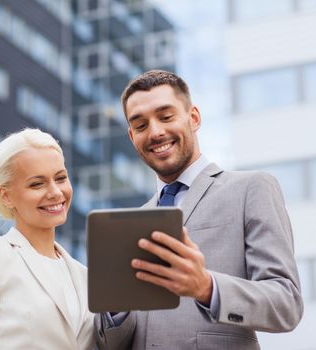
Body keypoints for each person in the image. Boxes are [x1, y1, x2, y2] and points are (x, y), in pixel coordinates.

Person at [94, 70, 303, 349]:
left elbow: (286, 304)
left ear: (193, 118)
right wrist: (115, 309)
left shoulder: (251, 189)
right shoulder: (127, 226)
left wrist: (206, 287)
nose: (155, 132)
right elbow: (112, 343)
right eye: (141, 125)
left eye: (166, 117)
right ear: (132, 137)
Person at [0, 128, 94, 350]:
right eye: (37, 183)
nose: (55, 192)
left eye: (61, 178)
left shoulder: (83, 276)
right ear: (6, 195)